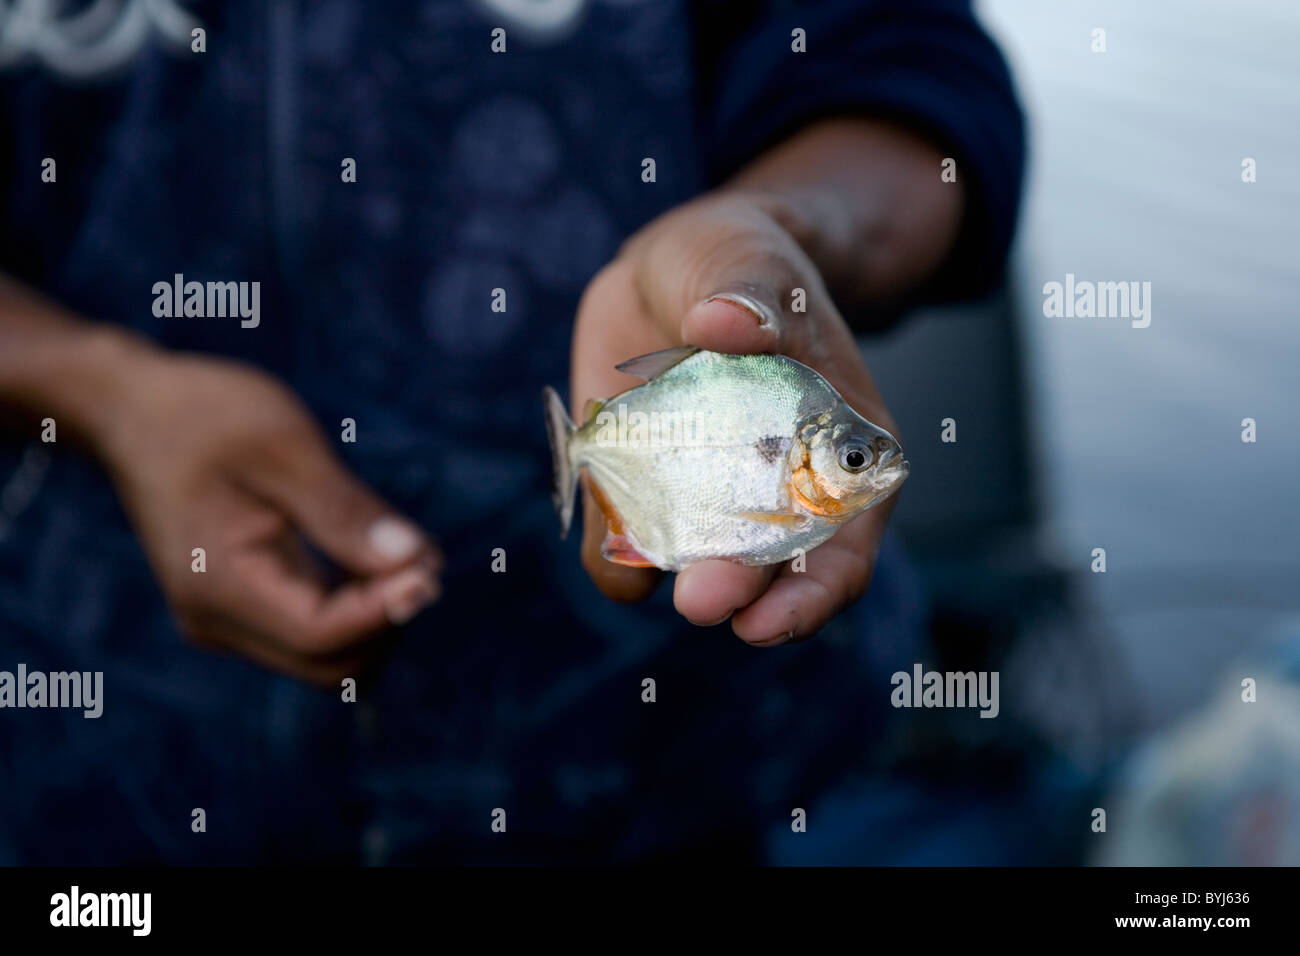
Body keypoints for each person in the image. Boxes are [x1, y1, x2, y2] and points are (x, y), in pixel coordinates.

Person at [0, 0, 1023, 863]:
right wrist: (101, 393)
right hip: (98, 766)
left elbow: (907, 62)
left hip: (701, 770)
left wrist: (786, 224)